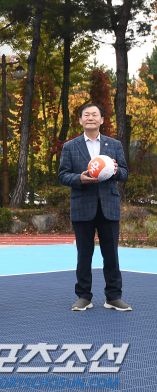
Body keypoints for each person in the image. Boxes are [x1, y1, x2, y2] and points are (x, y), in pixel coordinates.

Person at [58, 103, 131, 312]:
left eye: (95, 114)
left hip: (108, 205)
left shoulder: (114, 144)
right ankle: (83, 296)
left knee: (111, 254)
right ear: (80, 120)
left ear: (102, 120)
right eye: (86, 115)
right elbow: (62, 175)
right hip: (82, 206)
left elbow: (125, 173)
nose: (90, 117)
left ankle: (113, 297)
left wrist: (115, 171)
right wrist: (79, 178)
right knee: (84, 254)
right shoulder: (70, 146)